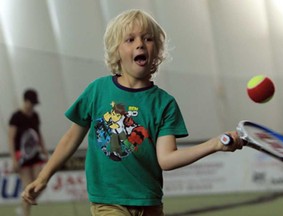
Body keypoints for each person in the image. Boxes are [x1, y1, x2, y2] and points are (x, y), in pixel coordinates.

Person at [21, 9, 243, 216]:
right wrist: (43, 176)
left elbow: (166, 159)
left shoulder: (164, 104)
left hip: (150, 203)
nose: (140, 44)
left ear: (156, 50)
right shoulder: (97, 91)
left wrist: (215, 144)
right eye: (130, 39)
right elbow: (71, 138)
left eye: (148, 38)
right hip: (109, 201)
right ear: (117, 51)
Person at [8, 89, 48, 216]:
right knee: (27, 186)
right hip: (21, 156)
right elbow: (11, 138)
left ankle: (24, 207)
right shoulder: (16, 117)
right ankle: (25, 213)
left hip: (35, 154)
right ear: (25, 101)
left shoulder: (35, 116)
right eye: (31, 103)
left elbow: (39, 134)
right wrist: (14, 159)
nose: (32, 107)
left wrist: (45, 151)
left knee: (40, 183)